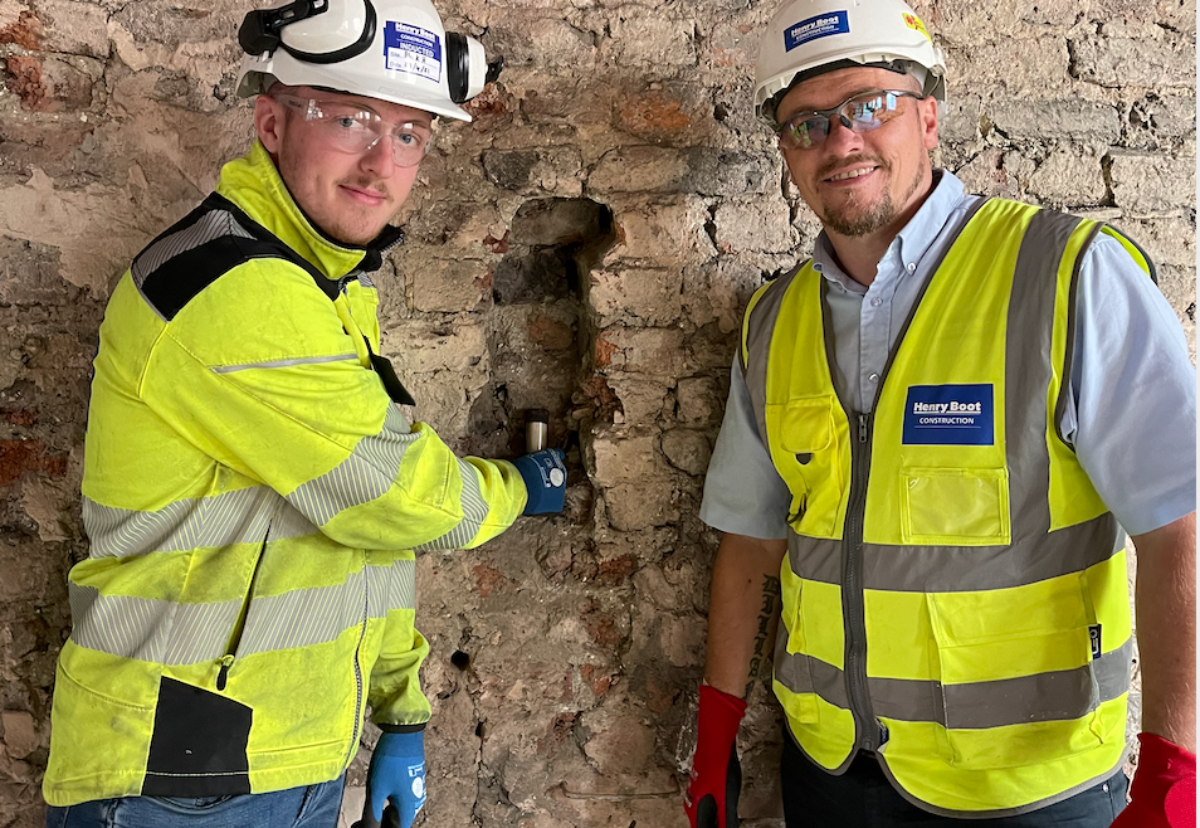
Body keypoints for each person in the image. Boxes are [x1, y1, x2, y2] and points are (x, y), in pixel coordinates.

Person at [41, 0, 567, 826]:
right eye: (352, 118)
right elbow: (410, 501)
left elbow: (361, 523)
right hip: (179, 780)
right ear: (272, 124)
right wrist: (515, 488)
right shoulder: (237, 287)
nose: (379, 164)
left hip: (287, 758)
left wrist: (399, 708)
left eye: (409, 136)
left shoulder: (327, 285)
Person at [685, 0, 1197, 826]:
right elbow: (750, 542)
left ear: (929, 116)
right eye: (806, 124)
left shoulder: (1067, 277)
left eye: (868, 106)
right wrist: (717, 728)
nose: (840, 140)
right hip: (830, 768)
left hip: (1026, 789)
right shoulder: (773, 322)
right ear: (784, 152)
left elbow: (1180, 527)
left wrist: (1175, 773)